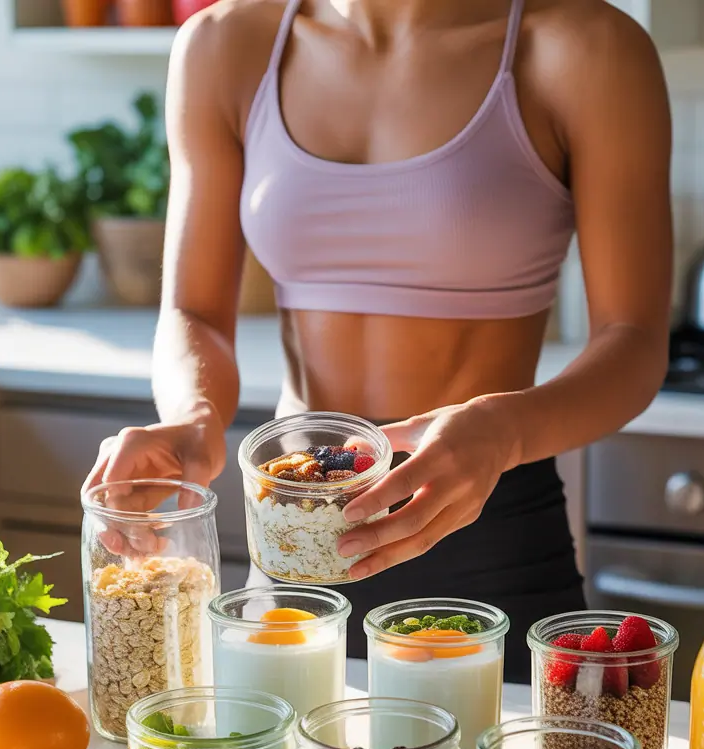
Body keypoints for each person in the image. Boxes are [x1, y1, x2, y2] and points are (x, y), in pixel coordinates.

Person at [84, 0, 673, 682]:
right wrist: (193, 420)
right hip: (296, 542)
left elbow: (634, 342)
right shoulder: (225, 45)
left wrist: (506, 430)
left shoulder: (586, 48)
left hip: (491, 543)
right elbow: (195, 311)